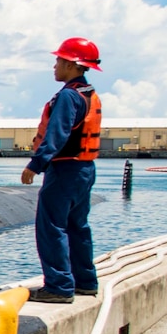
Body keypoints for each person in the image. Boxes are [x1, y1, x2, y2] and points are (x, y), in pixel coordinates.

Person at [21, 37, 103, 303]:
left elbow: (57, 134)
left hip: (65, 169)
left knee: (52, 227)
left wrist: (36, 164)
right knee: (77, 226)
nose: (54, 66)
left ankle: (58, 286)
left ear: (71, 64)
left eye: (58, 61)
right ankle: (85, 282)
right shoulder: (88, 93)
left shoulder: (68, 96)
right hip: (84, 169)